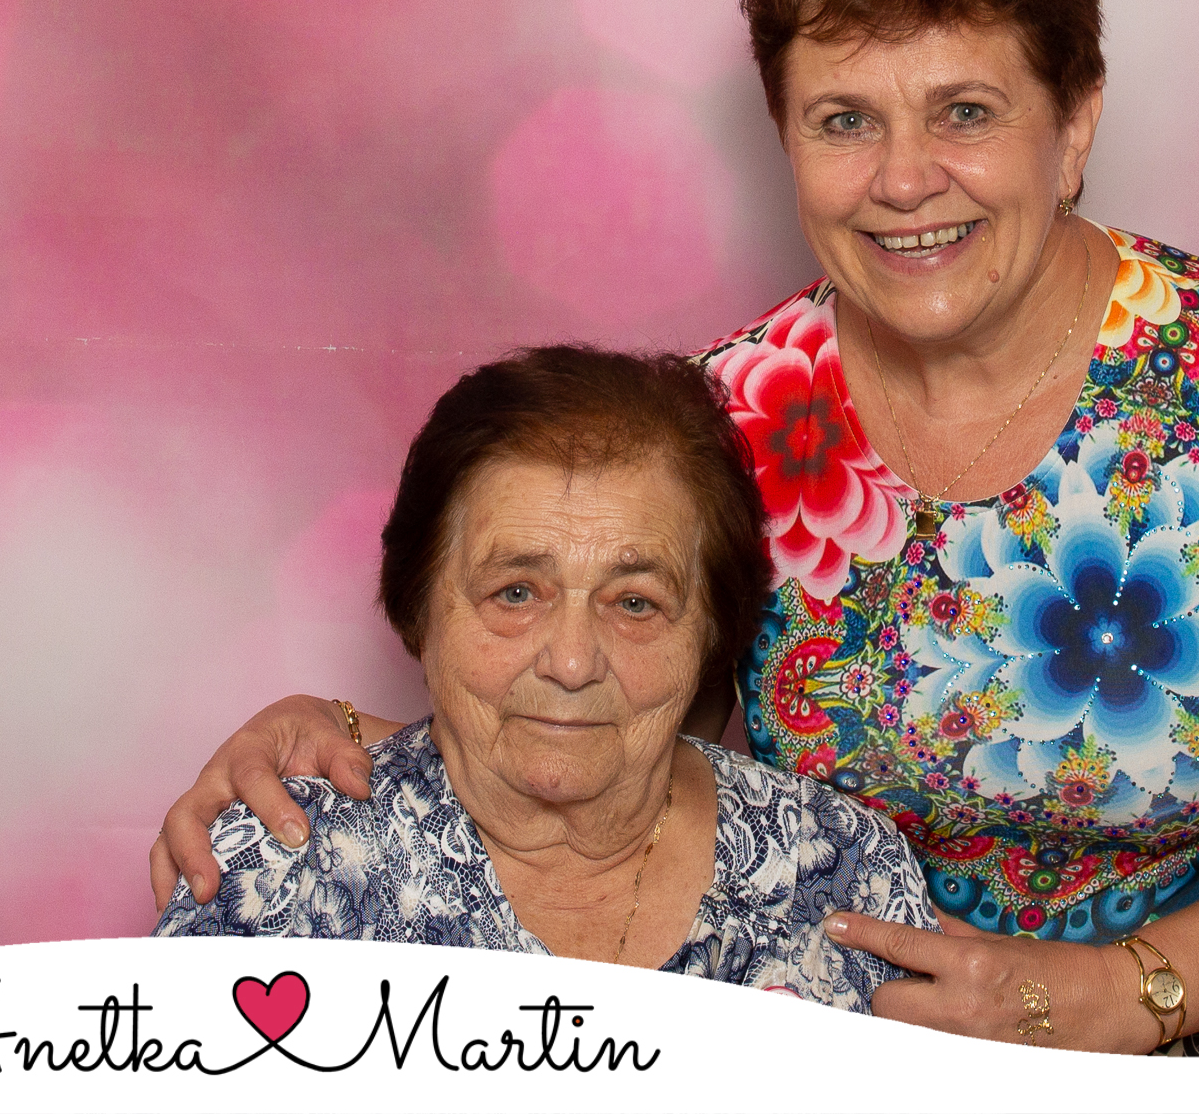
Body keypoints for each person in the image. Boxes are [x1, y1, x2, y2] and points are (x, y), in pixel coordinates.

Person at [152, 0, 1199, 1054]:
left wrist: (1114, 994)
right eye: (844, 120)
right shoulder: (728, 421)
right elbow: (616, 736)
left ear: (1072, 125)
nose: (903, 179)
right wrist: (334, 744)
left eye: (964, 112)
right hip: (871, 1051)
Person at [154, 346, 939, 1013]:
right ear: (417, 608)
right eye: (515, 593)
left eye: (635, 602)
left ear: (710, 633)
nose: (570, 661)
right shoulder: (272, 879)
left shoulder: (842, 870)